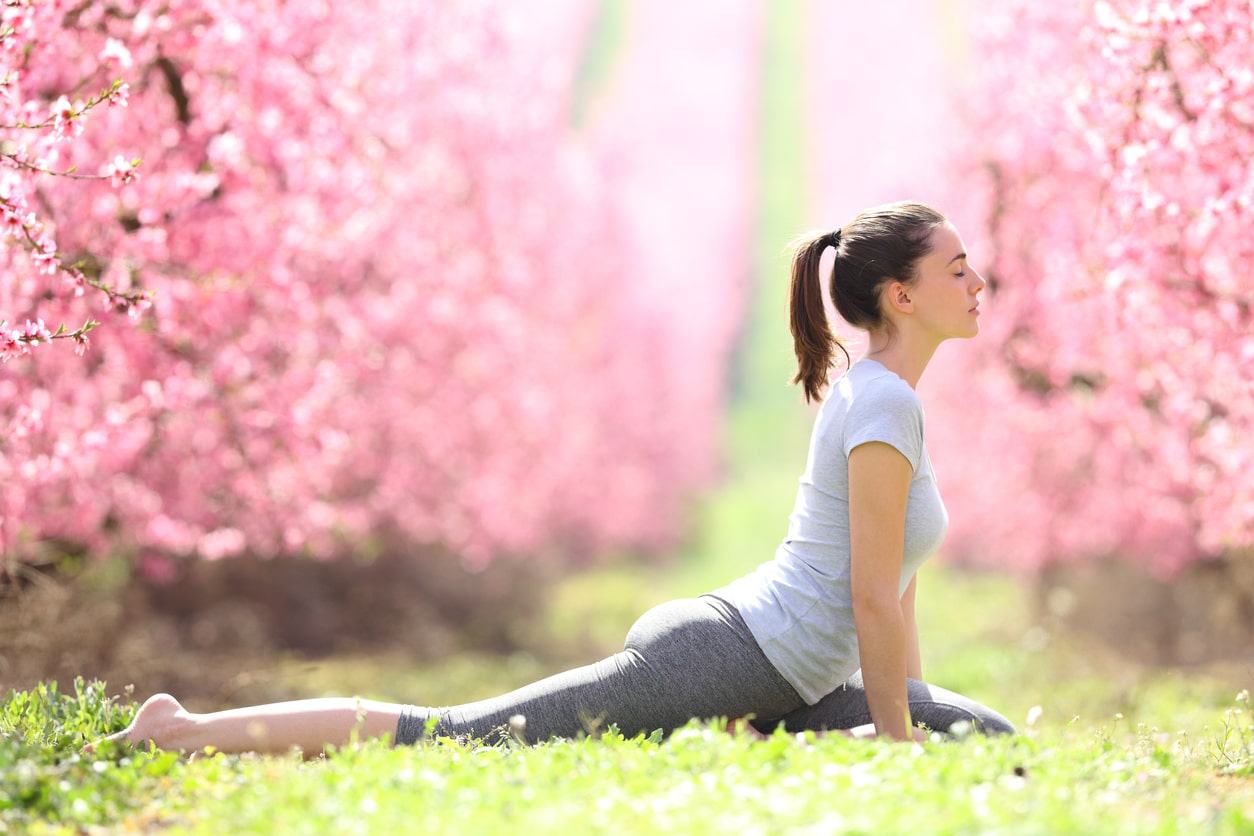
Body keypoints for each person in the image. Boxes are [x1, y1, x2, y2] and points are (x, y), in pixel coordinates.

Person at [101, 201, 1013, 755]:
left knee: (989, 742)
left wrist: (913, 712)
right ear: (901, 294)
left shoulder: (886, 397)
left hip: (789, 677)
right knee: (460, 736)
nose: (979, 284)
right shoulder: (884, 403)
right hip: (730, 655)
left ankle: (754, 744)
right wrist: (896, 737)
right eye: (959, 270)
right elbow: (869, 599)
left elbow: (898, 583)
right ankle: (181, 731)